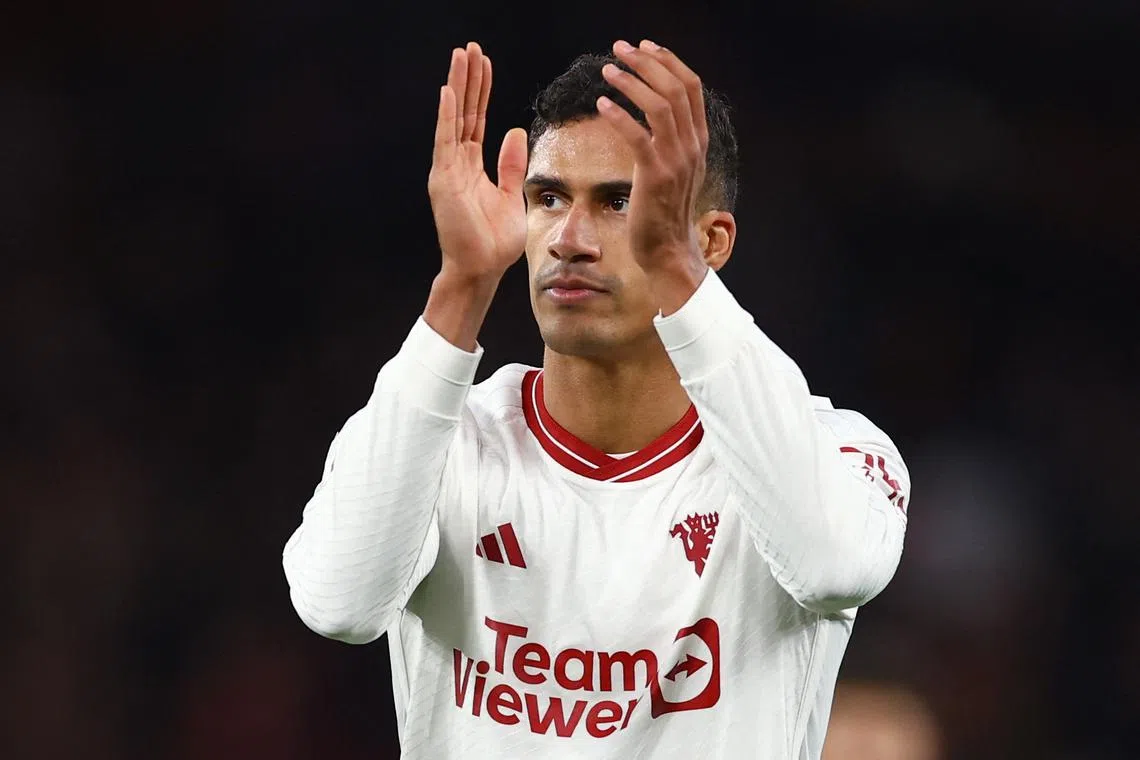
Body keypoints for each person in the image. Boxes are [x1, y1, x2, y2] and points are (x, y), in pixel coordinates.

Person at [283, 39, 911, 759]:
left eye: (619, 202)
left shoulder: (830, 451)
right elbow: (339, 603)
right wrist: (460, 288)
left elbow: (833, 568)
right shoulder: (443, 444)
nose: (569, 239)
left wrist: (675, 270)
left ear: (712, 241)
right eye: (547, 199)